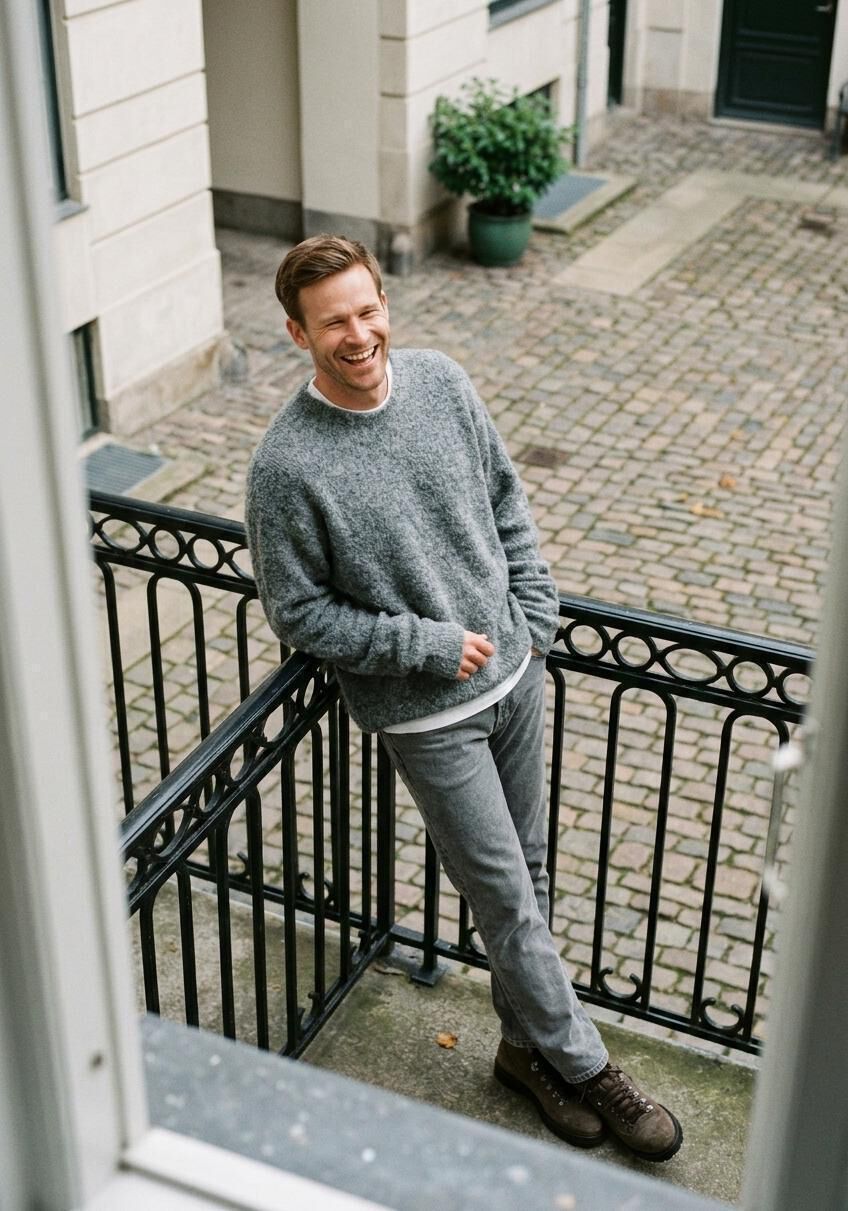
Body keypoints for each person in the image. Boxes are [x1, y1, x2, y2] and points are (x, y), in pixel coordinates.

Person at [245, 234, 682, 1162]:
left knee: (532, 875)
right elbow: (298, 610)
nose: (358, 334)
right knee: (505, 899)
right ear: (298, 333)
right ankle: (591, 1067)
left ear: (384, 305)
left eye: (368, 310)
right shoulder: (286, 467)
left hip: (518, 678)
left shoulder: (442, 382)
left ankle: (525, 1055)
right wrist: (425, 644)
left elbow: (506, 498)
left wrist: (536, 615)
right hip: (426, 715)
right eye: (333, 322)